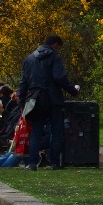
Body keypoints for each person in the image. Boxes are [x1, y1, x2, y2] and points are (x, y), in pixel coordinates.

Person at [17, 34, 80, 171]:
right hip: (53, 99)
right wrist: (72, 90)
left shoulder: (29, 59)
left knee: (36, 131)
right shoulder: (54, 57)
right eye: (58, 47)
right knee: (56, 131)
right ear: (55, 44)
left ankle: (32, 163)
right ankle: (55, 162)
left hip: (35, 100)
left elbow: (23, 82)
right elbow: (59, 77)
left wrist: (22, 102)